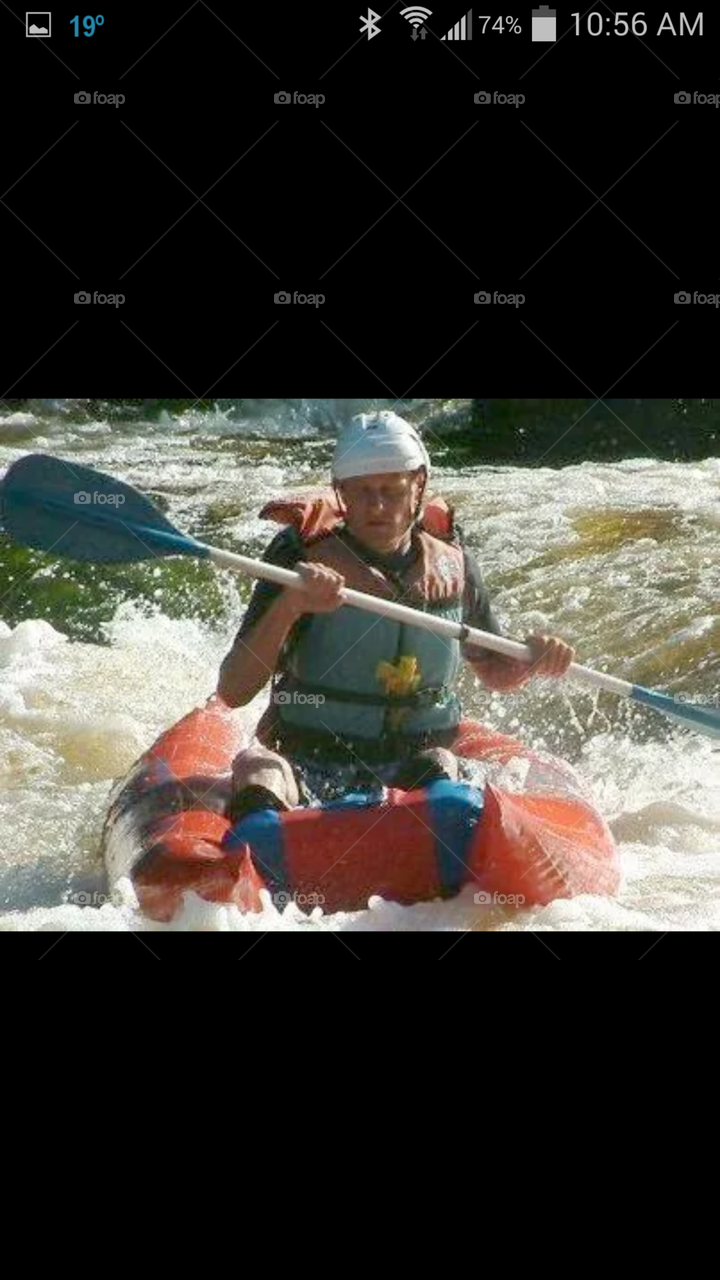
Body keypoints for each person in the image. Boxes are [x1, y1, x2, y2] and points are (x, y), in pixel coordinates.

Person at [217, 411, 574, 820]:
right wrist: (291, 604)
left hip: (410, 766)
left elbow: (497, 673)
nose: (377, 505)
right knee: (258, 770)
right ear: (341, 494)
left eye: (391, 490)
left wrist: (536, 658)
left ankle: (438, 837)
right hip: (307, 761)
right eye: (362, 491)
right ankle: (260, 850)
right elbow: (233, 690)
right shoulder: (298, 556)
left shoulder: (452, 565)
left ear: (418, 486)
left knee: (441, 761)